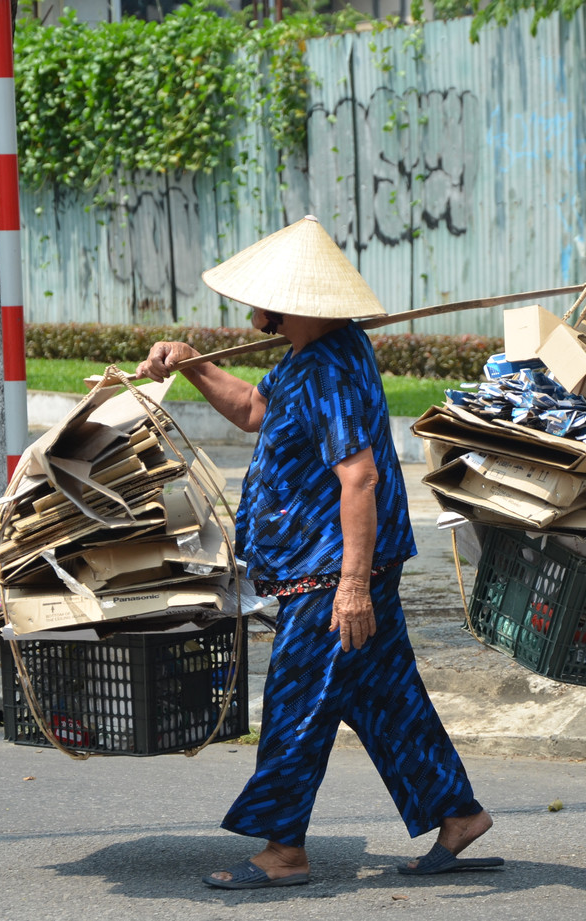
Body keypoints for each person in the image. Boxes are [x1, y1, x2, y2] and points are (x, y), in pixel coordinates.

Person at [137, 215, 501, 890]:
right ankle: (458, 814)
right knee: (386, 697)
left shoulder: (331, 369)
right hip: (336, 569)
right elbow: (252, 408)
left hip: (329, 574)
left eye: (261, 298)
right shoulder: (309, 359)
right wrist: (191, 362)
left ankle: (283, 849)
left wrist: (353, 585)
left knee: (297, 704)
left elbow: (357, 477)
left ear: (291, 304)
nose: (251, 310)